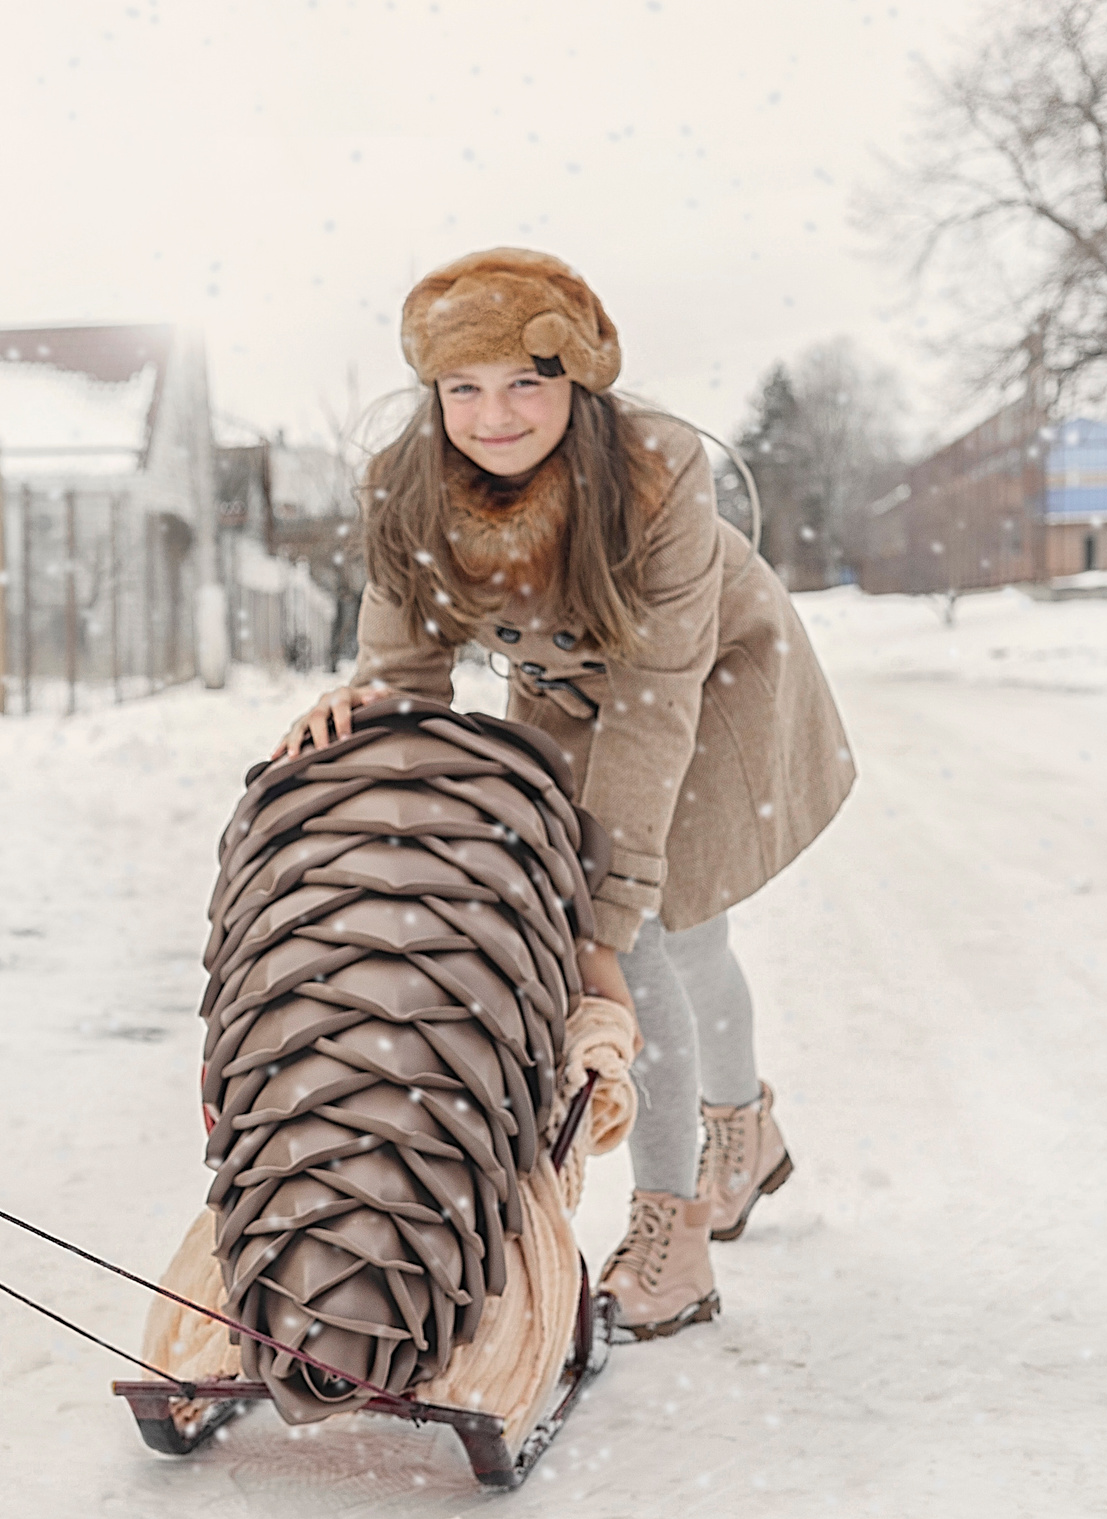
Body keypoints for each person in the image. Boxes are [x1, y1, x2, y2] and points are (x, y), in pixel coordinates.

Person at [274, 248, 854, 1341]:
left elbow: (652, 697)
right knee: (673, 944)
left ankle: (671, 1232)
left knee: (643, 940)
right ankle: (744, 1127)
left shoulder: (653, 476)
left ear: (575, 383)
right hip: (563, 695)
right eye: (463, 389)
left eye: (525, 383)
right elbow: (406, 678)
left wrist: (603, 912)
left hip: (711, 684)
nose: (493, 416)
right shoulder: (406, 486)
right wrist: (360, 721)